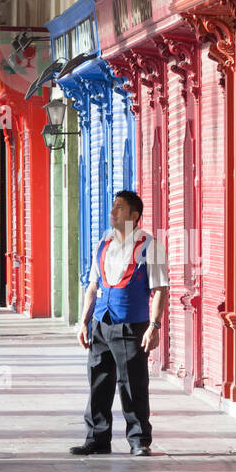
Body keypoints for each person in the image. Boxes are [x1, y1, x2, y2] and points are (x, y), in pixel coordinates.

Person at [71, 190, 169, 457]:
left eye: (119, 208)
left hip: (130, 326)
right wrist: (84, 322)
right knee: (98, 382)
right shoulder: (103, 242)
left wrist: (154, 326)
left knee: (132, 384)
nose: (113, 212)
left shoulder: (152, 246)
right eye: (113, 206)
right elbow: (93, 285)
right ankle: (97, 438)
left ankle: (139, 440)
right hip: (101, 323)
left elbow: (160, 289)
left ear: (134, 216)